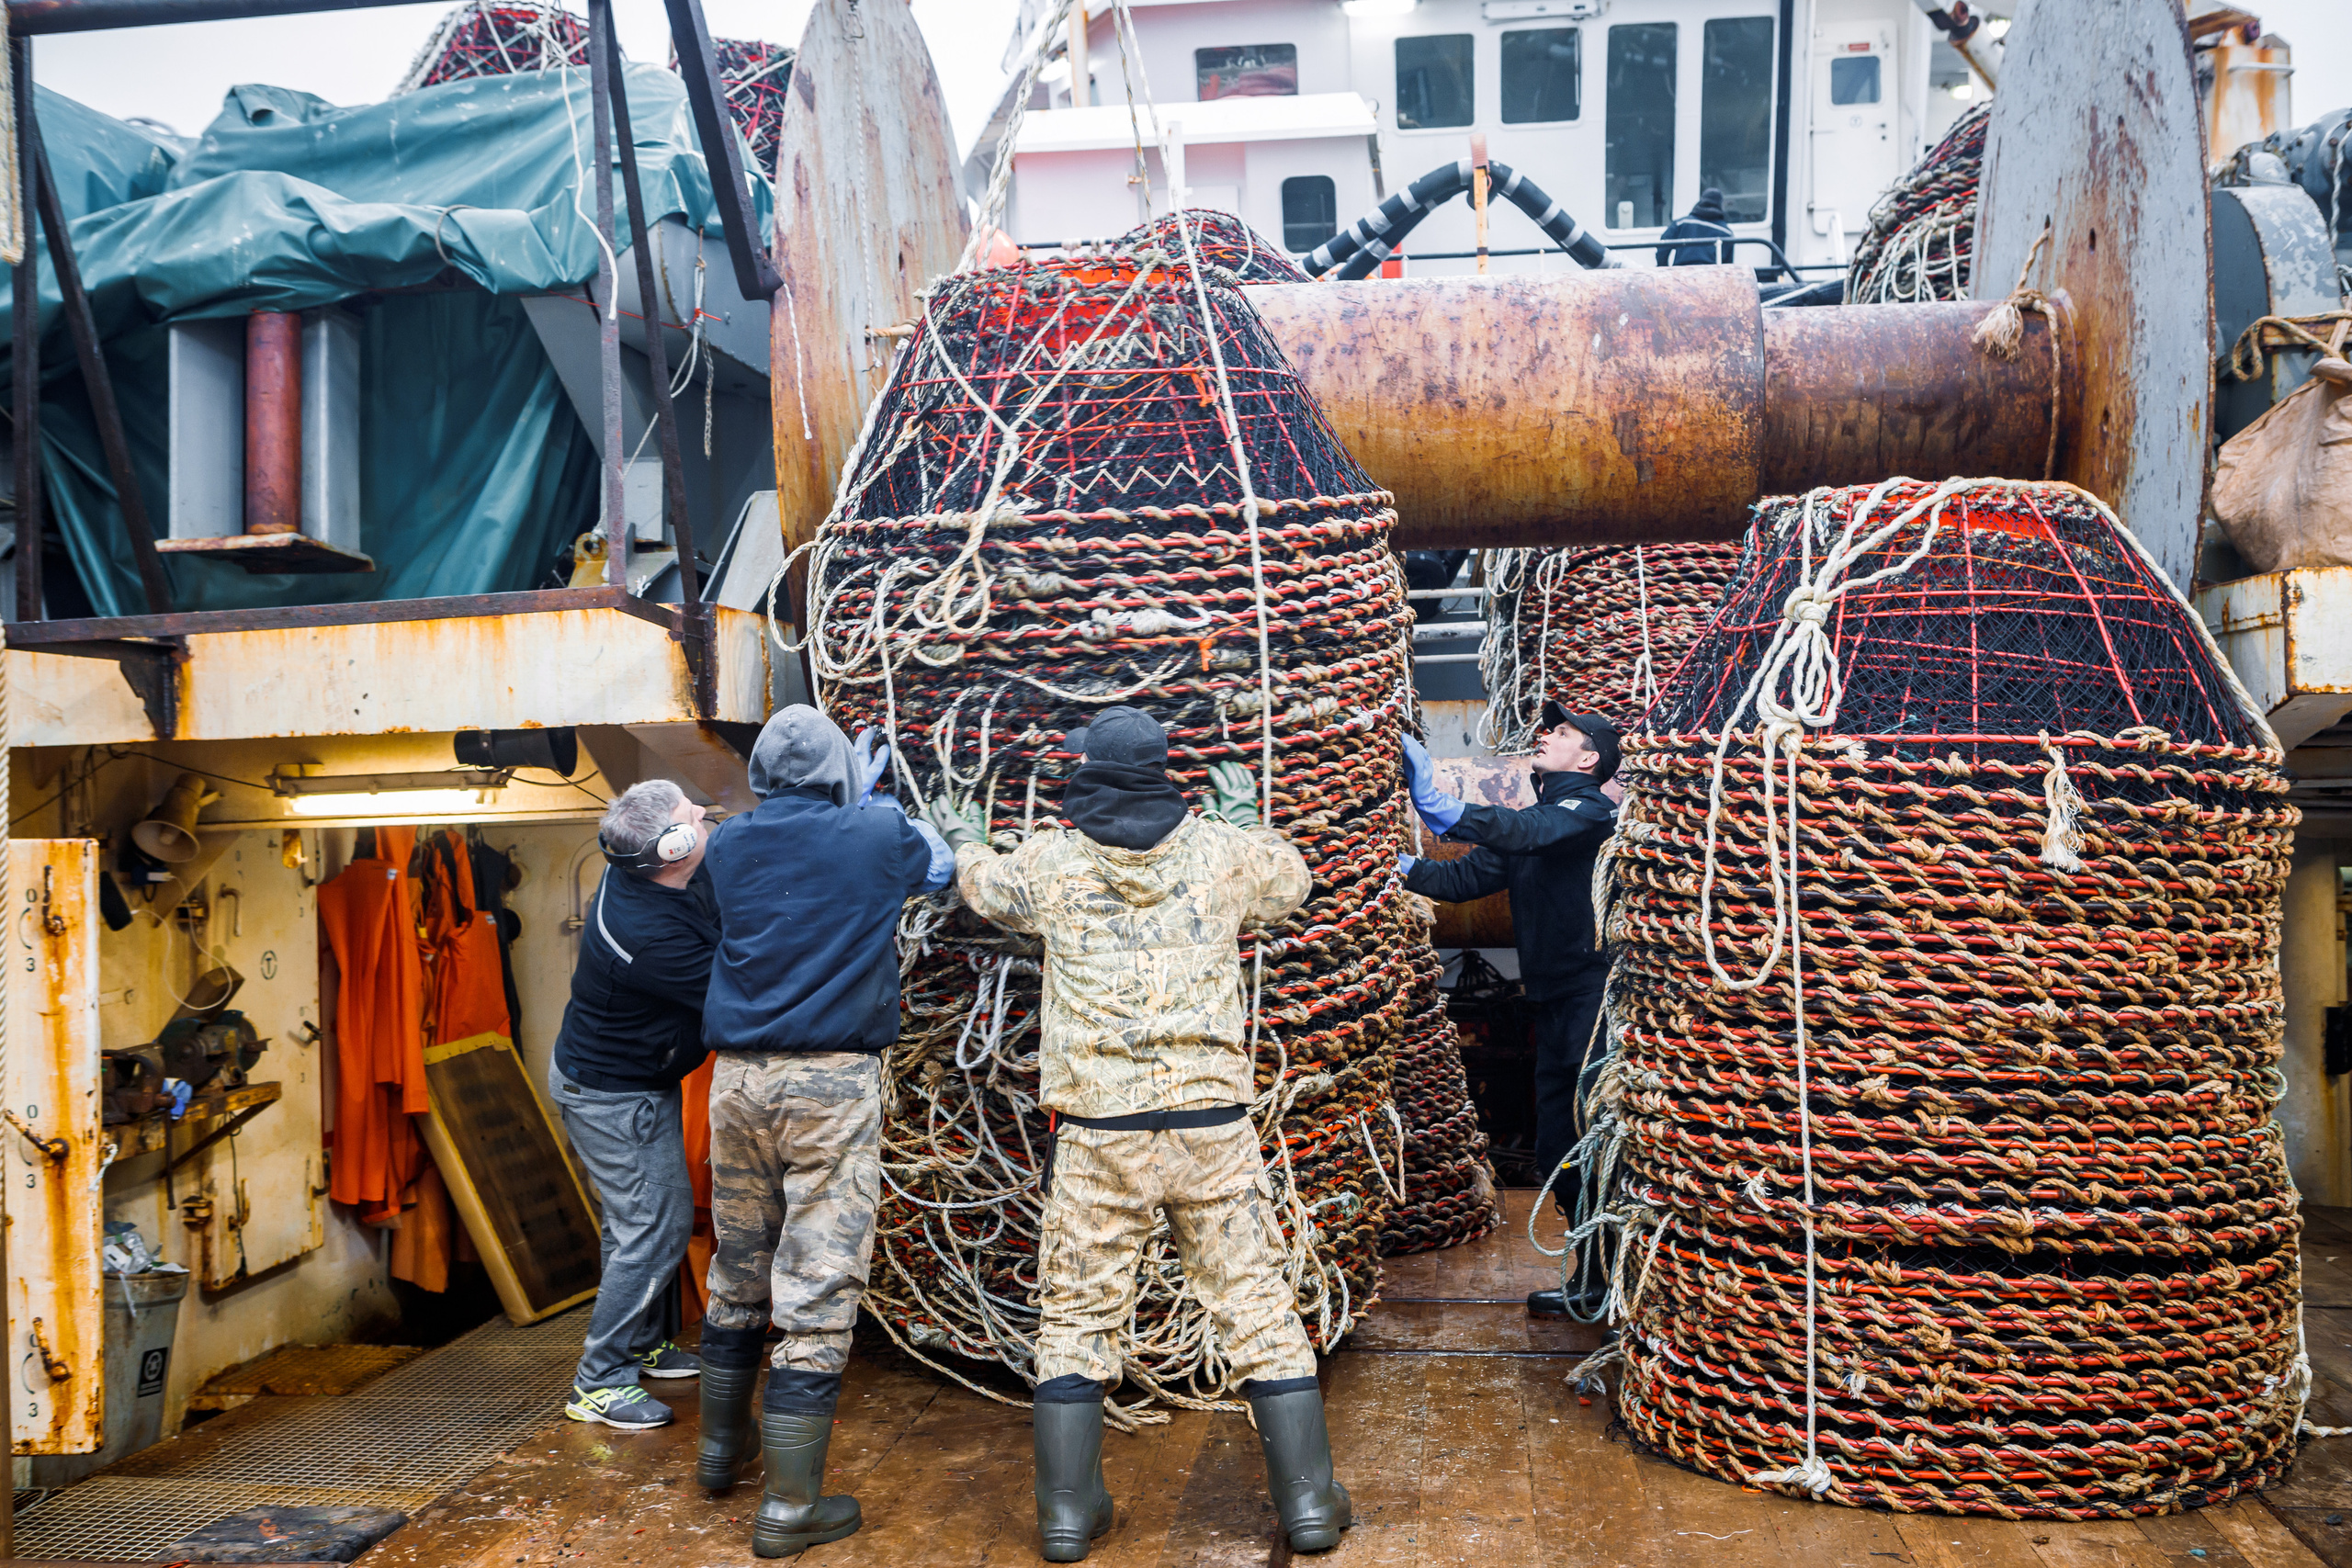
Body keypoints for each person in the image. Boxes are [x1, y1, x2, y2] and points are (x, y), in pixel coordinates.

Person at [926, 706, 1351, 1562]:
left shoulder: (1050, 860)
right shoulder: (1219, 853)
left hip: (1098, 1131)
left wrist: (968, 839)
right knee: (1256, 1306)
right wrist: (1247, 817)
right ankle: (1307, 1501)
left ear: (1084, 769)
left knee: (1078, 1313)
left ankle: (1067, 1513)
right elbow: (1293, 880)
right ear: (1164, 768)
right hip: (1211, 1126)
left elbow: (986, 890)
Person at [694, 705, 956, 1559]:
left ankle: (719, 1454)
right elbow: (943, 867)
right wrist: (876, 804)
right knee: (817, 1283)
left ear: (762, 776)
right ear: (842, 772)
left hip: (734, 1081)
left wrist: (848, 806)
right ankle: (789, 1509)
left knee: (738, 1263)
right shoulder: (877, 836)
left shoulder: (726, 843)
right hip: (828, 1084)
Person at [1396, 703, 1619, 1318]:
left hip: (1593, 1005)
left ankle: (1617, 1279)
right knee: (1558, 1149)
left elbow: (1528, 835)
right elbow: (1462, 879)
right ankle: (1593, 1277)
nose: (1545, 735)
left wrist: (1440, 802)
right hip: (1550, 1005)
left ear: (1590, 757)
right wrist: (1391, 864)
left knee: (1593, 1142)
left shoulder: (1591, 813)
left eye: (1563, 732)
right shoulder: (1536, 821)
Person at [550, 779, 720, 1431]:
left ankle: (641, 1343)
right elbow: (735, 993)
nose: (703, 813)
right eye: (691, 815)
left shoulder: (647, 876)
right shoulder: (651, 939)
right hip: (612, 1096)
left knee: (636, 1224)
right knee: (655, 1227)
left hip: (622, 1081)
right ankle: (598, 1381)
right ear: (675, 846)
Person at [1655, 186, 1734, 266]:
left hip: (1682, 274)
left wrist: (1664, 268)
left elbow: (1663, 246)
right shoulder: (1726, 232)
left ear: (1701, 201)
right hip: (1710, 275)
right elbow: (1728, 266)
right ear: (1720, 204)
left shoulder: (1682, 223)